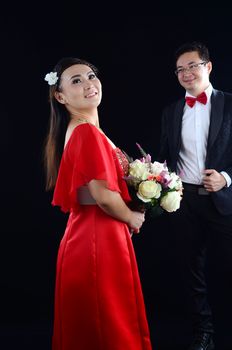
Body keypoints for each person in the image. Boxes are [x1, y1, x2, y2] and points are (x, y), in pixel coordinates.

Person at [43, 57, 152, 350]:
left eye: (90, 76)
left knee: (105, 321)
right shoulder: (85, 131)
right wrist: (132, 217)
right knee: (107, 324)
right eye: (76, 80)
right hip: (96, 239)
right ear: (60, 95)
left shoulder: (86, 129)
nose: (88, 83)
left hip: (96, 235)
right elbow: (102, 195)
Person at [158, 41, 232, 350]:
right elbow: (164, 157)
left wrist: (226, 178)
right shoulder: (172, 111)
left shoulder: (229, 104)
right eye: (180, 69)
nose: (187, 73)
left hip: (224, 200)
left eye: (193, 66)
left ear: (208, 66)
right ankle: (204, 333)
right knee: (192, 271)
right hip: (184, 201)